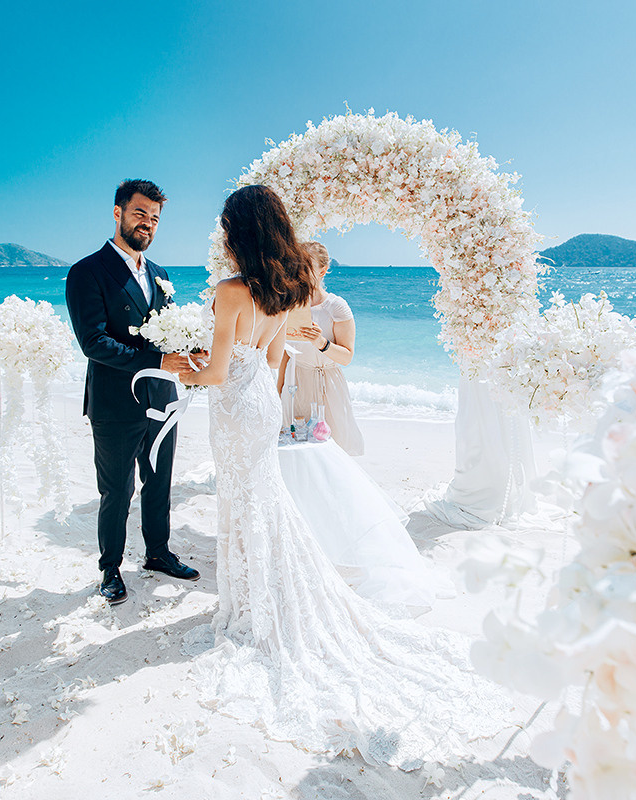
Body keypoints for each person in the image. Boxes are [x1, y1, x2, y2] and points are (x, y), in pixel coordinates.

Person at [175, 185, 516, 769]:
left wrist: (178, 366)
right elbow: (277, 361)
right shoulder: (288, 290)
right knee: (264, 500)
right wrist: (257, 397)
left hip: (235, 405)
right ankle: (266, 594)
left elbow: (216, 371)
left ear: (238, 231)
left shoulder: (230, 290)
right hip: (262, 402)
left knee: (243, 502)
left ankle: (254, 602)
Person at [64, 179, 201, 606]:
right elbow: (94, 342)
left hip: (161, 397)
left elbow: (165, 332)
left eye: (155, 218)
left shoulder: (159, 274)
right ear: (118, 212)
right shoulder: (87, 271)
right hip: (115, 400)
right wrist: (157, 362)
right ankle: (110, 568)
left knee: (160, 481)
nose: (147, 224)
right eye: (140, 213)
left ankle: (158, 553)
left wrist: (188, 349)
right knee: (117, 490)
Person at [277, 241, 365, 455]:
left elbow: (347, 357)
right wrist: (277, 392)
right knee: (297, 445)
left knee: (334, 449)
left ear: (323, 270)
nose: (300, 271)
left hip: (329, 384)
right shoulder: (288, 305)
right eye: (296, 265)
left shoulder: (336, 306)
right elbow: (284, 355)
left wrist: (321, 343)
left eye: (306, 266)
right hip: (296, 381)